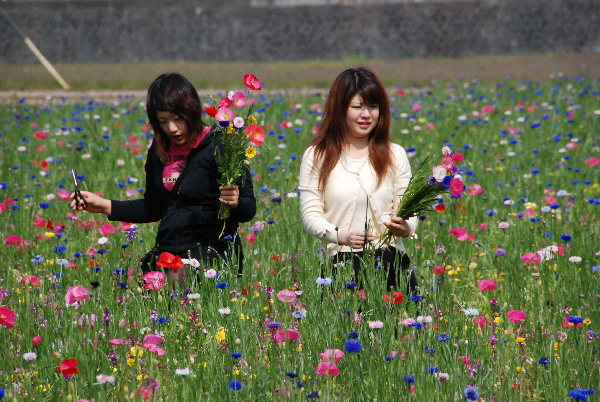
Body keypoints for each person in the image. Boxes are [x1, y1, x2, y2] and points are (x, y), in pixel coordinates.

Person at [70, 73, 256, 287]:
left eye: (178, 119)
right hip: (170, 250)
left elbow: (249, 209)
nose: (172, 129)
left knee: (175, 282)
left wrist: (236, 202)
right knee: (142, 289)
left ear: (192, 111)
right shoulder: (159, 151)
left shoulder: (223, 145)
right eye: (163, 122)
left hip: (212, 250)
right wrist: (104, 205)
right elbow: (154, 208)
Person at [299, 67, 418, 294]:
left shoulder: (395, 154)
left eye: (373, 107)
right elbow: (310, 215)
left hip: (391, 265)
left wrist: (406, 226)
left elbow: (408, 208)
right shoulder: (317, 156)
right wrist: (342, 236)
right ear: (339, 109)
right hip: (340, 266)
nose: (366, 115)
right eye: (357, 107)